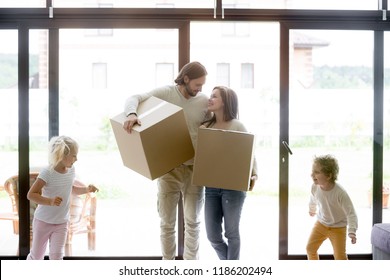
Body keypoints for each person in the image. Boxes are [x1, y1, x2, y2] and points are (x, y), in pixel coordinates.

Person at [123, 61, 210, 260]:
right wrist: (131, 114)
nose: (200, 89)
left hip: (195, 169)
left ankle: (191, 266)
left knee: (193, 222)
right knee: (167, 223)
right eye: (198, 84)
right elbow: (134, 97)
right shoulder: (167, 93)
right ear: (186, 79)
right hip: (169, 168)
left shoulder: (203, 100)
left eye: (203, 85)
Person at [200, 86, 258, 260]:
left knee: (232, 234)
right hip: (211, 187)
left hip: (233, 188)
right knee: (213, 236)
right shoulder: (206, 126)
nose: (210, 99)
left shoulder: (237, 125)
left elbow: (250, 152)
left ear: (225, 102)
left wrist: (254, 174)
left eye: (214, 96)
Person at [26, 135, 99, 260]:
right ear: (63, 155)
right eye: (74, 155)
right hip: (43, 221)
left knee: (57, 256)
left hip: (61, 222)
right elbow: (31, 195)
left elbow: (71, 189)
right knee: (36, 256)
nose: (76, 159)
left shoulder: (71, 170)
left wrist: (87, 189)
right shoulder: (47, 172)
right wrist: (50, 201)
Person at [306, 154, 358, 260]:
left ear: (329, 176)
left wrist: (352, 230)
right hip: (321, 224)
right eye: (312, 171)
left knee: (340, 257)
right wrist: (312, 209)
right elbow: (313, 199)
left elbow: (351, 213)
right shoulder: (315, 187)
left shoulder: (340, 193)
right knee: (310, 249)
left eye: (316, 172)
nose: (312, 174)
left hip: (338, 228)